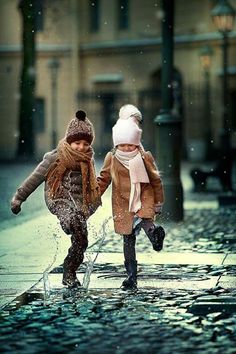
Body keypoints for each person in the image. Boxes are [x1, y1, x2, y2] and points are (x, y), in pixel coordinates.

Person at [11, 110, 101, 288]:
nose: (81, 147)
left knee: (82, 240)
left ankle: (70, 270)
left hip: (78, 205)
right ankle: (68, 221)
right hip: (58, 198)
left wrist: (89, 208)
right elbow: (34, 178)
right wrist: (19, 198)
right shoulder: (55, 157)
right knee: (72, 219)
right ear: (69, 141)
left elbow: (91, 189)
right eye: (77, 143)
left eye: (85, 144)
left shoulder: (87, 161)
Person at [97, 109, 165, 290]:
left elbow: (155, 179)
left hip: (144, 196)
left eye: (131, 145)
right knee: (128, 240)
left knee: (145, 220)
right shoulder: (111, 158)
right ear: (117, 144)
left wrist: (158, 202)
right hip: (122, 202)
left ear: (137, 143)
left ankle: (155, 237)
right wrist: (94, 196)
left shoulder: (144, 156)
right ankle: (131, 276)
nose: (127, 148)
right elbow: (103, 179)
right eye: (123, 145)